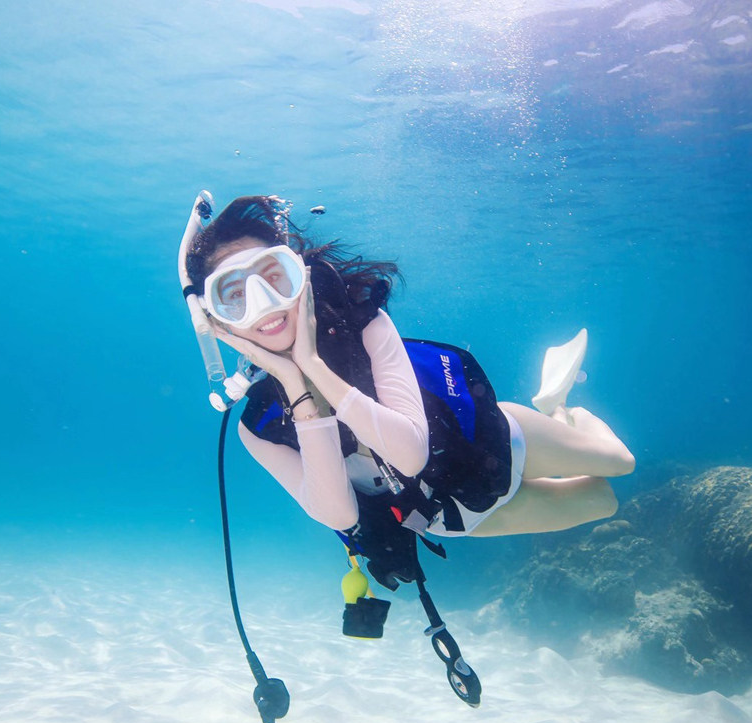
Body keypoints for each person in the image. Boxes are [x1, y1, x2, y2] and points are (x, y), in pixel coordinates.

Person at [185, 195, 635, 548]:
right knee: (602, 502)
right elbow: (339, 515)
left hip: (499, 436)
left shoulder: (366, 323)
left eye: (273, 276)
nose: (264, 303)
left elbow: (411, 451)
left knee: (621, 463)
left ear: (298, 274)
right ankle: (556, 408)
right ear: (216, 322)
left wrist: (313, 366)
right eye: (234, 294)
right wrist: (292, 383)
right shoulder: (257, 428)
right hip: (457, 515)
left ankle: (556, 409)